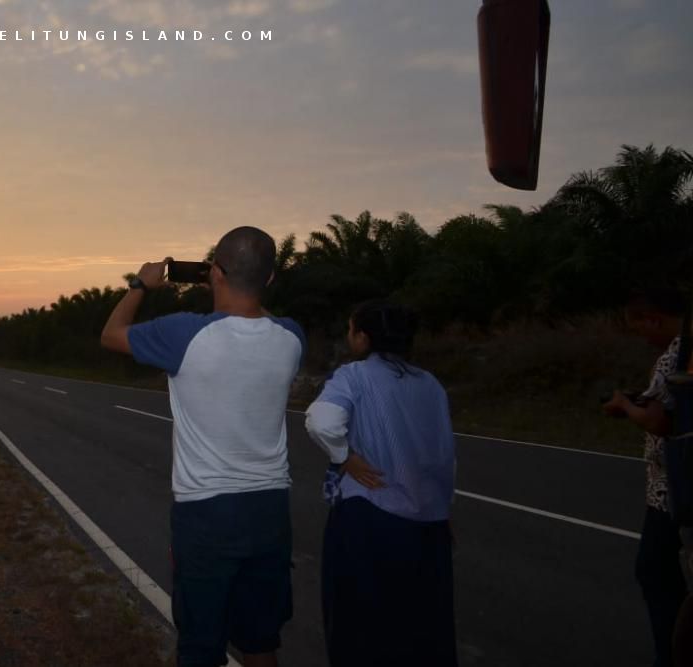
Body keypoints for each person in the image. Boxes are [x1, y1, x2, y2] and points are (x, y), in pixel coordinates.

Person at [100, 226, 306, 667]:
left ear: (214, 273)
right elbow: (258, 314)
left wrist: (141, 284)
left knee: (200, 647)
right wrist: (240, 282)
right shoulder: (292, 337)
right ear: (269, 280)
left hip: (207, 513)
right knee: (260, 641)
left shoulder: (184, 334)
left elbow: (111, 334)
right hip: (270, 511)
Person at [304, 300, 457, 667]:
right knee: (424, 629)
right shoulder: (430, 384)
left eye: (351, 329)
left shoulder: (353, 376)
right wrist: (441, 510)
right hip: (427, 526)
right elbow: (442, 455)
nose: (348, 335)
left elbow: (321, 421)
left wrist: (344, 457)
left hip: (369, 520)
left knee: (361, 629)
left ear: (364, 338)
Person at [603, 287, 686, 667]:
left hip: (673, 489)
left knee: (655, 574)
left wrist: (623, 405)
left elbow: (659, 420)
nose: (643, 338)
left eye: (640, 328)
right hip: (680, 485)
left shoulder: (676, 354)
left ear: (653, 318)